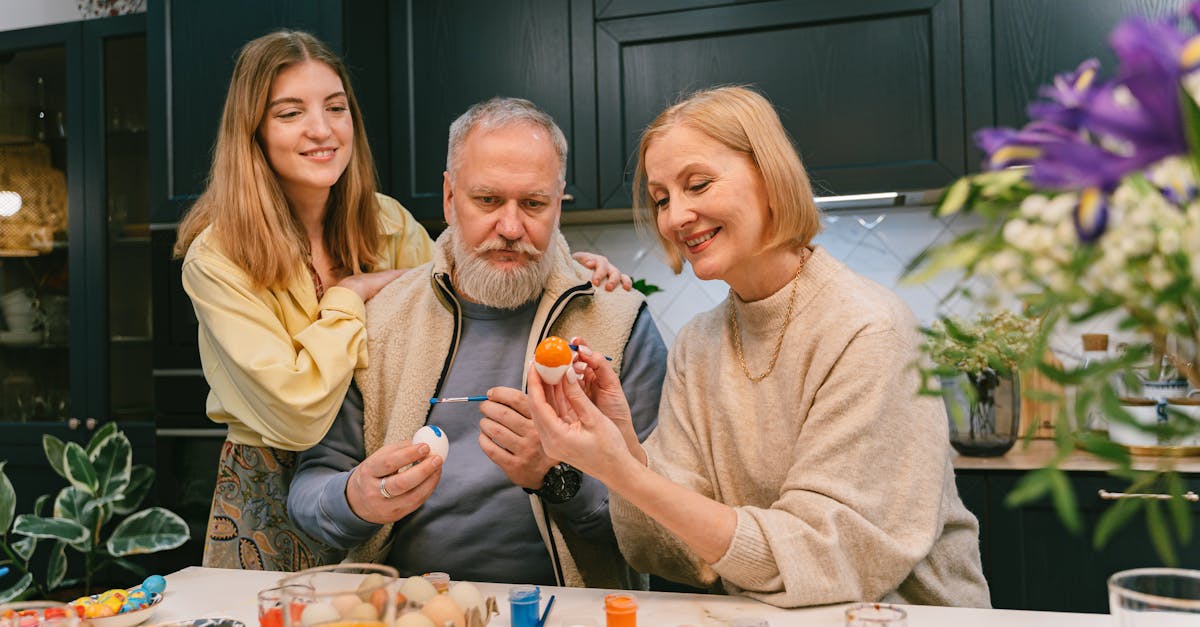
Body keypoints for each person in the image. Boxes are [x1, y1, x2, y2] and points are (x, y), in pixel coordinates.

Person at [174, 31, 630, 572]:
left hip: (378, 472)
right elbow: (296, 414)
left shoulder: (384, 221)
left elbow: (455, 280)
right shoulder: (218, 256)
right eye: (290, 113)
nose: (321, 129)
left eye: (335, 108)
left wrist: (567, 268)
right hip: (270, 482)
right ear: (252, 131)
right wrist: (348, 295)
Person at [527, 86, 992, 608]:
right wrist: (626, 450)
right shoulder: (698, 346)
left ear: (770, 177)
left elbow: (826, 560)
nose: (676, 217)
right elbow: (665, 551)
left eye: (698, 184)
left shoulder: (869, 330)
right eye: (662, 199)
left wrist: (623, 471)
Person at [288, 97, 668, 589]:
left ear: (559, 203)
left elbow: (660, 526)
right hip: (407, 608)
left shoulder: (621, 322)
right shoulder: (380, 322)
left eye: (534, 204)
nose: (510, 228)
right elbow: (308, 492)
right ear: (449, 198)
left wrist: (556, 477)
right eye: (487, 200)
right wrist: (355, 498)